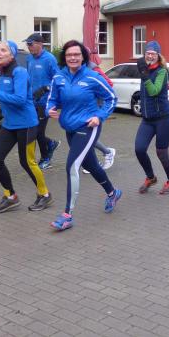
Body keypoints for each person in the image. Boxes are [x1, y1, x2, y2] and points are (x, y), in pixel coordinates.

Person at [46, 40, 121, 232]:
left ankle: (67, 215)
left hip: (88, 126)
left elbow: (111, 98)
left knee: (72, 166)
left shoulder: (92, 77)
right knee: (91, 165)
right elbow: (52, 98)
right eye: (69, 55)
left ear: (83, 57)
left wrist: (99, 116)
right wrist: (50, 109)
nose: (73, 58)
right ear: (64, 57)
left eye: (76, 54)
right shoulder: (59, 77)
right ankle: (112, 192)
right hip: (70, 128)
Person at [0, 40, 52, 213]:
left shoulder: (19, 72)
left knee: (27, 162)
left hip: (26, 124)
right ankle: (11, 196)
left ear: (12, 54)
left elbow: (20, 99)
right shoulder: (3, 73)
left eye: (3, 50)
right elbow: (7, 96)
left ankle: (44, 194)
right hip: (9, 124)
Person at [134, 40, 169, 195]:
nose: (150, 56)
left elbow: (154, 91)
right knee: (139, 149)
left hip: (163, 118)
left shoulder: (162, 72)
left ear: (158, 55)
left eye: (153, 54)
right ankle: (151, 177)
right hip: (147, 119)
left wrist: (145, 76)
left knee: (161, 152)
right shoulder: (144, 70)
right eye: (148, 53)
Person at [24, 33, 60, 170]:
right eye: (27, 44)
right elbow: (29, 78)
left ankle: (46, 159)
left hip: (45, 102)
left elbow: (58, 79)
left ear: (40, 44)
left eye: (30, 44)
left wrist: (46, 88)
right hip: (31, 101)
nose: (28, 47)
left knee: (38, 132)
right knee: (32, 131)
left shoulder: (49, 59)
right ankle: (50, 143)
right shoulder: (29, 58)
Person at [82, 55, 116, 173]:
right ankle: (95, 161)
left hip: (95, 107)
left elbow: (109, 83)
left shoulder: (93, 68)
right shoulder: (74, 69)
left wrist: (93, 92)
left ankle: (106, 153)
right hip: (82, 107)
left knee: (88, 136)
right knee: (83, 136)